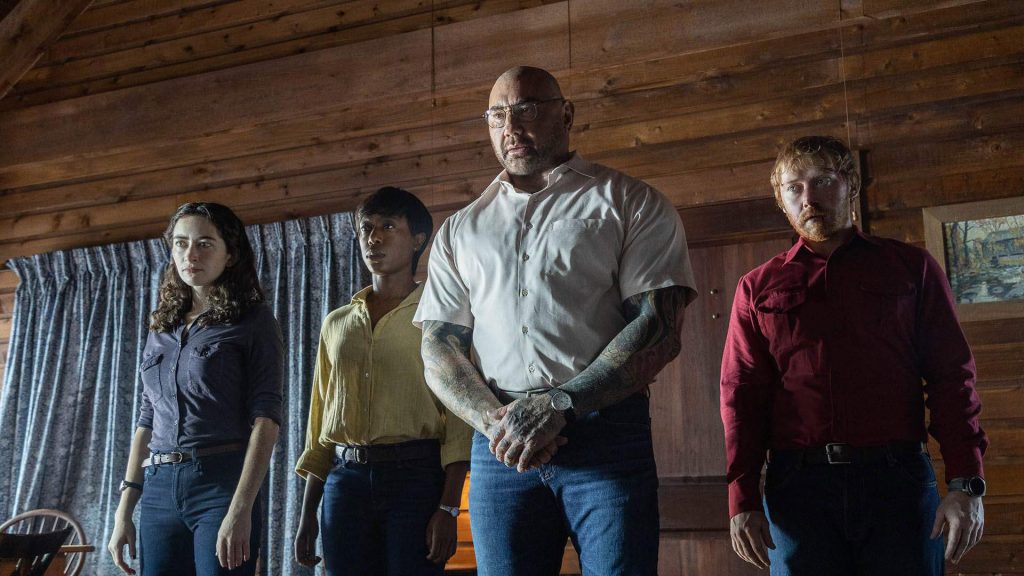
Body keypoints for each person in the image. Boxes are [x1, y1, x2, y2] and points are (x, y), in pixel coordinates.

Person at [414, 66, 697, 575]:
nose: (511, 127)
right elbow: (438, 347)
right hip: (500, 444)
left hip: (607, 436)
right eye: (497, 115)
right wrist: (497, 423)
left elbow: (657, 326)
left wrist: (560, 405)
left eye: (526, 109)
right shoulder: (460, 229)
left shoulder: (631, 201)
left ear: (566, 114)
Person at [720, 136, 988, 575]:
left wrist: (965, 483)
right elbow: (741, 397)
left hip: (897, 482)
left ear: (851, 186)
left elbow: (952, 379)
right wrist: (742, 498)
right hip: (797, 491)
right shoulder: (756, 288)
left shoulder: (912, 268)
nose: (809, 198)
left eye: (823, 181)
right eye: (794, 187)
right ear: (781, 200)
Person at [293, 187, 472, 576]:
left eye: (388, 226)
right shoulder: (336, 323)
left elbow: (460, 422)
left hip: (416, 479)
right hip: (345, 483)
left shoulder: (437, 318)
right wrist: (307, 514)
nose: (373, 238)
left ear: (418, 240)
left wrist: (447, 508)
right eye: (367, 228)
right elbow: (320, 422)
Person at [107, 203, 283, 576]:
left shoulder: (254, 321)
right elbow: (147, 419)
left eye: (205, 243)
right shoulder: (161, 326)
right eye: (181, 243)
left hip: (221, 486)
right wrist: (124, 511)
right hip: (157, 490)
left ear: (230, 254)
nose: (191, 254)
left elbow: (266, 420)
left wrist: (241, 509)